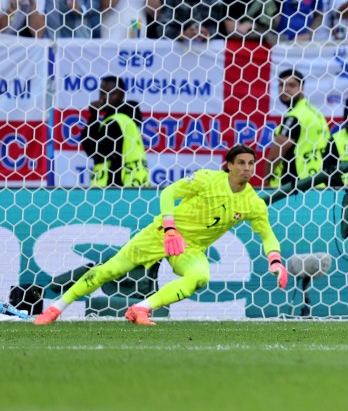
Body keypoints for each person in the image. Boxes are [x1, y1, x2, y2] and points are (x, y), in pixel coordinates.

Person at [33, 145, 289, 326]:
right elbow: (168, 193)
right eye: (241, 163)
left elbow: (267, 235)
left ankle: (141, 309)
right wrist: (169, 228)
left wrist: (275, 261)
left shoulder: (253, 202)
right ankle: (56, 309)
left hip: (189, 249)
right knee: (109, 270)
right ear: (230, 166)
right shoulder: (207, 179)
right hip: (161, 234)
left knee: (199, 276)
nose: (247, 168)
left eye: (251, 163)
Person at [264, 69, 331, 189]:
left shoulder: (295, 116)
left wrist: (266, 180)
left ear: (302, 88)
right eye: (281, 85)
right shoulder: (316, 112)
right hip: (316, 180)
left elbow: (276, 155)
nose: (285, 89)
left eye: (291, 85)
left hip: (294, 185)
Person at [80, 75, 149, 188]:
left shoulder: (116, 122)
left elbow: (93, 150)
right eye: (102, 93)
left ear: (122, 95)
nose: (104, 98)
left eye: (111, 93)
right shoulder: (126, 118)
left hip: (115, 185)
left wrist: (93, 116)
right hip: (132, 184)